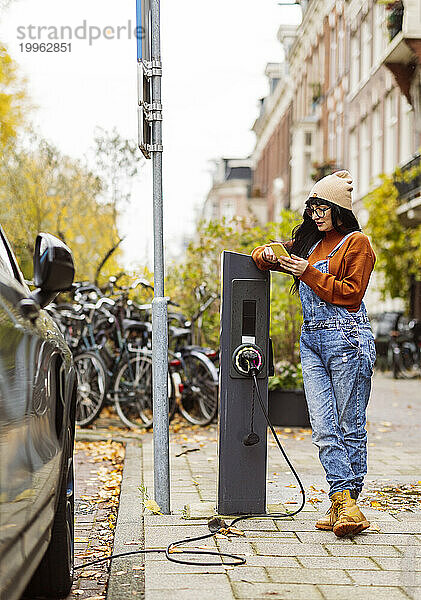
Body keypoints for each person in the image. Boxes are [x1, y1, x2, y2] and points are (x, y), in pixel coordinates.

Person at [252, 170, 376, 537]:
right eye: (313, 207)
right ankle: (345, 504)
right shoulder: (306, 244)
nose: (317, 214)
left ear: (340, 210)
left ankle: (344, 501)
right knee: (323, 427)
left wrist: (308, 273)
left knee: (349, 425)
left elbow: (352, 293)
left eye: (324, 207)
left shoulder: (357, 243)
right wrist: (268, 254)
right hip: (311, 342)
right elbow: (263, 257)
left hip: (348, 339)